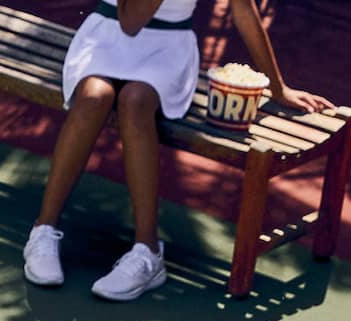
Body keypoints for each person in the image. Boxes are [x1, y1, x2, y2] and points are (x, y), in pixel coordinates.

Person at [22, 0, 333, 299]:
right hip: (105, 37)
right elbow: (130, 22)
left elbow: (244, 10)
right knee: (93, 98)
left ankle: (148, 252)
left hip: (167, 49)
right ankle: (43, 229)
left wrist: (278, 88)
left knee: (134, 102)